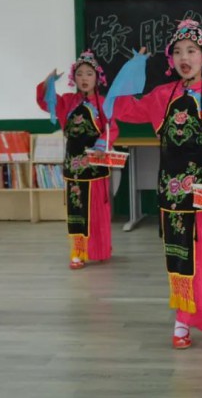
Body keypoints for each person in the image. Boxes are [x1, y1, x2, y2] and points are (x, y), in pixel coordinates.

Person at [111, 19, 202, 349]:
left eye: (191, 51)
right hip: (171, 195)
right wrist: (132, 71)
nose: (184, 58)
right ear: (171, 59)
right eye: (177, 52)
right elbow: (123, 109)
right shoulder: (161, 95)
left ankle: (182, 323)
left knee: (200, 261)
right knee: (182, 259)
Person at [36, 50, 117, 269]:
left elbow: (112, 129)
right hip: (73, 166)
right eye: (79, 74)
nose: (84, 78)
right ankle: (78, 252)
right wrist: (48, 82)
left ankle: (99, 249)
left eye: (89, 73)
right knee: (76, 211)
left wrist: (101, 146)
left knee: (96, 212)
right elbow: (45, 101)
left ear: (97, 78)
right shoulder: (67, 102)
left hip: (95, 165)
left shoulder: (104, 103)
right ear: (74, 78)